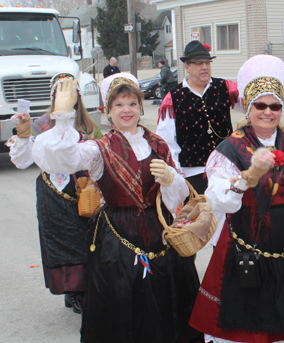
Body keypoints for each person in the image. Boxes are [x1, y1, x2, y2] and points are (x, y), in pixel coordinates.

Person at [31, 72, 202, 343]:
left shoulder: (157, 144)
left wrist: (171, 179)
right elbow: (59, 159)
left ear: (141, 108)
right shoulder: (98, 149)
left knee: (165, 299)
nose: (126, 110)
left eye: (132, 104)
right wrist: (63, 118)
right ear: (108, 111)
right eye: (119, 104)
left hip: (159, 230)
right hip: (117, 239)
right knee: (122, 301)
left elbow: (176, 197)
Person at [188, 55, 284, 343]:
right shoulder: (229, 148)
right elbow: (220, 200)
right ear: (247, 106)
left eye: (275, 106)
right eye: (260, 105)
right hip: (245, 246)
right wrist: (247, 178)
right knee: (248, 320)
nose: (268, 112)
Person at [7, 72, 102, 314]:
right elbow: (23, 161)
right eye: (60, 93)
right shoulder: (40, 125)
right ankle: (72, 291)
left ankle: (85, 289)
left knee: (86, 240)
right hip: (51, 194)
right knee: (58, 242)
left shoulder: (89, 127)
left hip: (83, 192)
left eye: (69, 92)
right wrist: (24, 134)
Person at [156, 40, 240, 195]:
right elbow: (165, 139)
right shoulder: (174, 96)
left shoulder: (224, 87)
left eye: (207, 63)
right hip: (193, 172)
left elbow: (253, 107)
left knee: (231, 215)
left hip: (227, 168)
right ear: (187, 67)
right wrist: (176, 172)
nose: (205, 67)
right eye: (199, 63)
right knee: (201, 217)